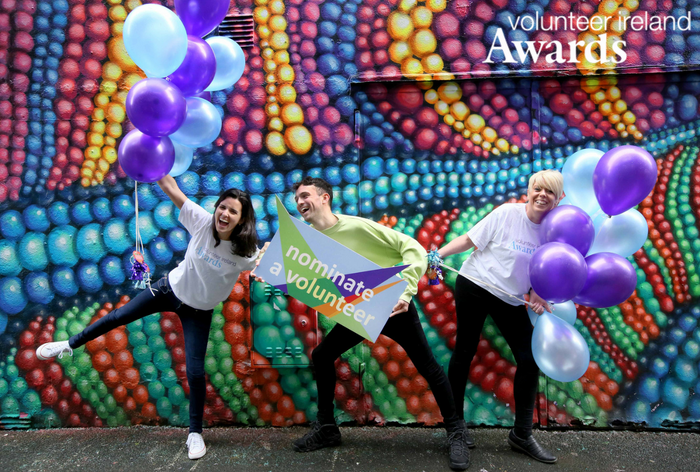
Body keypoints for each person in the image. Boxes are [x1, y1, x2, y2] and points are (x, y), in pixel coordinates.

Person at [36, 175, 264, 460]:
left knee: (195, 372)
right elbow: (170, 187)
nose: (225, 214)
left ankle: (195, 434)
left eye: (233, 211)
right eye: (223, 207)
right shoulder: (202, 222)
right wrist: (152, 157)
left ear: (242, 220)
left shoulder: (246, 253)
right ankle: (68, 344)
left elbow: (271, 264)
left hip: (199, 311)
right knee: (118, 316)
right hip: (169, 289)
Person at [291, 177, 472, 471]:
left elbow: (412, 247)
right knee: (322, 355)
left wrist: (406, 291)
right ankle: (326, 428)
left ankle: (457, 432)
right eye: (297, 199)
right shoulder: (310, 241)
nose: (300, 202)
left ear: (325, 198)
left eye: (305, 195)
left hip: (392, 306)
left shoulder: (356, 226)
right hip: (359, 311)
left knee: (428, 366)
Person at [437, 169, 563, 464]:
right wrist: (438, 254)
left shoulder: (554, 231)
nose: (542, 195)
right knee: (465, 350)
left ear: (558, 199)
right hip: (476, 285)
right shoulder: (507, 213)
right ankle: (455, 429)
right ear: (529, 190)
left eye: (550, 192)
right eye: (538, 189)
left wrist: (536, 291)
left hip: (509, 298)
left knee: (530, 360)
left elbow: (543, 268)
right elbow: (470, 239)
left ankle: (521, 434)